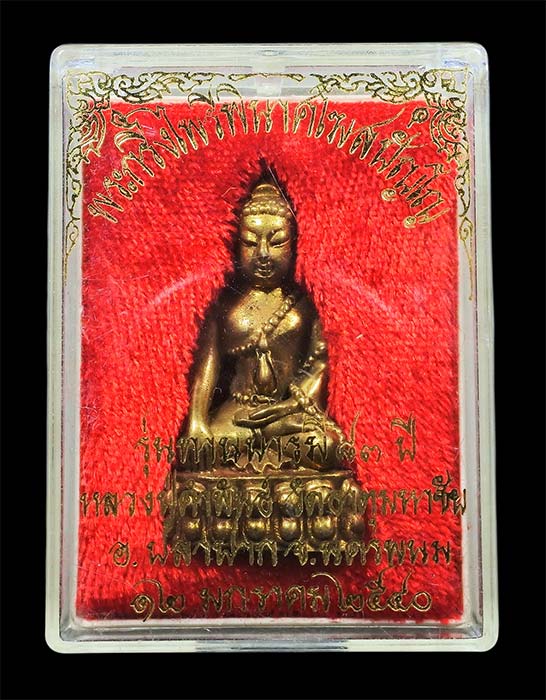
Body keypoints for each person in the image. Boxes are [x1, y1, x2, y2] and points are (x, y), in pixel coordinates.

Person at [177, 178, 349, 472]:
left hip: (289, 414)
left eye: (277, 241)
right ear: (236, 246)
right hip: (237, 415)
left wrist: (287, 407)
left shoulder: (306, 304)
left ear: (294, 245)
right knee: (198, 450)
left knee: (326, 446)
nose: (263, 254)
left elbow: (319, 364)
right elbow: (207, 367)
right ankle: (265, 439)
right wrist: (197, 422)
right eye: (250, 243)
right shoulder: (224, 305)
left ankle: (269, 436)